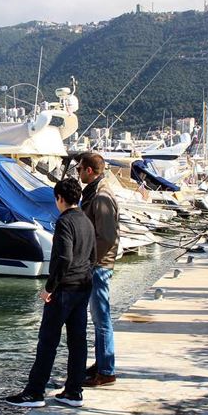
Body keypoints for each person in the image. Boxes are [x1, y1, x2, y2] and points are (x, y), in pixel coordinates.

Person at [4, 178, 96, 408]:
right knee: (78, 341)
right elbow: (93, 256)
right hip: (83, 287)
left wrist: (49, 288)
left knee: (47, 341)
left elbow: (64, 258)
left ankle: (34, 393)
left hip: (63, 290)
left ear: (60, 199)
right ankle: (74, 391)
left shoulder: (65, 222)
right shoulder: (86, 220)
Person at [77, 152, 120, 387]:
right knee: (98, 317)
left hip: (99, 265)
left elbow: (107, 236)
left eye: (79, 169)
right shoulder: (95, 192)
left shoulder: (101, 196)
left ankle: (106, 370)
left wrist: (91, 261)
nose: (78, 173)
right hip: (97, 264)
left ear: (89, 171)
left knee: (102, 318)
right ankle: (101, 363)